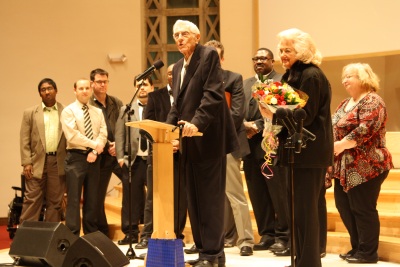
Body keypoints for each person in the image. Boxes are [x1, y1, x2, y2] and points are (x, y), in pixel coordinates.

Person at [166, 19, 238, 267]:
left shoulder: (208, 55)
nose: (179, 38)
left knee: (210, 200)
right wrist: (168, 132)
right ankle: (207, 253)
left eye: (184, 34)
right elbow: (177, 105)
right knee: (194, 200)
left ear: (197, 37)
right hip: (188, 142)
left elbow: (213, 95)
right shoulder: (176, 67)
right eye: (176, 35)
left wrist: (197, 122)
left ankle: (213, 253)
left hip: (208, 138)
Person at [259, 28, 333, 267]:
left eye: (287, 50)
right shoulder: (291, 76)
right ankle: (299, 260)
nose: (282, 55)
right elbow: (292, 111)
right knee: (296, 212)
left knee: (306, 211)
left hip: (309, 152)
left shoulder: (311, 75)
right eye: (281, 50)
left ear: (301, 51)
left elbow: (307, 115)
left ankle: (308, 262)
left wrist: (274, 112)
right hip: (294, 152)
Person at [331, 63, 393, 263]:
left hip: (368, 165)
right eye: (344, 76)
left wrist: (341, 144)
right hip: (345, 167)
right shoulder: (344, 103)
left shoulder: (373, 100)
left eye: (349, 76)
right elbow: (333, 125)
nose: (345, 80)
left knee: (362, 208)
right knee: (344, 206)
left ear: (364, 77)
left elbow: (365, 129)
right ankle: (357, 247)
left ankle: (367, 253)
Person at [204, 40, 254, 257]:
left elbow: (236, 114)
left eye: (216, 56)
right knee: (211, 196)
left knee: (234, 194)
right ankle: (217, 238)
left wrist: (212, 130)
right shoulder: (198, 80)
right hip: (203, 143)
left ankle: (246, 240)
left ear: (222, 58)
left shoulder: (234, 78)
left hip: (226, 143)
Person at [242, 48, 290, 253]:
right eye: (256, 58)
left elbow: (279, 112)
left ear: (272, 61)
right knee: (257, 192)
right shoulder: (245, 84)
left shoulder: (280, 81)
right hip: (248, 146)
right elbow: (236, 110)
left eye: (264, 58)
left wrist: (258, 127)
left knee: (277, 191)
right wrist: (244, 126)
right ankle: (267, 234)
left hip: (271, 144)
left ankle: (283, 235)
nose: (259, 61)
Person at [136, 63, 188, 250]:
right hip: (159, 154)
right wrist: (164, 144)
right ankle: (148, 235)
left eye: (176, 73)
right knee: (153, 197)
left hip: (183, 154)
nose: (173, 76)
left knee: (181, 197)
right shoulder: (155, 97)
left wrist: (179, 142)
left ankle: (177, 234)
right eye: (169, 74)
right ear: (166, 76)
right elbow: (145, 128)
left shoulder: (188, 96)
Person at [61, 78, 107, 235]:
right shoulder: (68, 111)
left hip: (94, 159)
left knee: (92, 199)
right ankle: (72, 235)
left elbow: (103, 133)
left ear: (91, 89)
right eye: (81, 88)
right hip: (76, 158)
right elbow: (73, 136)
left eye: (87, 88)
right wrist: (94, 146)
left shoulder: (98, 111)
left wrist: (94, 152)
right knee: (73, 200)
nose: (85, 91)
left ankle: (91, 234)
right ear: (75, 90)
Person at [19, 78, 66, 223]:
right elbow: (24, 139)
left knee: (55, 202)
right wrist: (27, 162)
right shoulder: (30, 113)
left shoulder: (66, 111)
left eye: (50, 88)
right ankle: (26, 237)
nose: (47, 92)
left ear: (56, 90)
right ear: (40, 93)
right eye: (43, 89)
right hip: (36, 162)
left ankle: (50, 237)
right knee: (32, 199)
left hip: (57, 163)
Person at [115, 77, 154, 245]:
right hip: (133, 160)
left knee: (153, 197)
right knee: (131, 198)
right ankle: (130, 232)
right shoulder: (127, 109)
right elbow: (119, 134)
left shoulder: (157, 107)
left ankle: (150, 232)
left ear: (152, 87)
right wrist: (120, 157)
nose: (142, 88)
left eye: (145, 85)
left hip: (154, 159)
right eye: (138, 86)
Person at [89, 68, 123, 238]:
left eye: (105, 81)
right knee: (98, 195)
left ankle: (132, 223)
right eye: (99, 82)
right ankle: (103, 231)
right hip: (100, 155)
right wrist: (105, 145)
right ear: (92, 84)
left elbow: (124, 125)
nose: (103, 84)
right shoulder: (88, 104)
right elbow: (89, 131)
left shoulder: (116, 102)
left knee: (134, 183)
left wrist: (118, 144)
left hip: (118, 154)